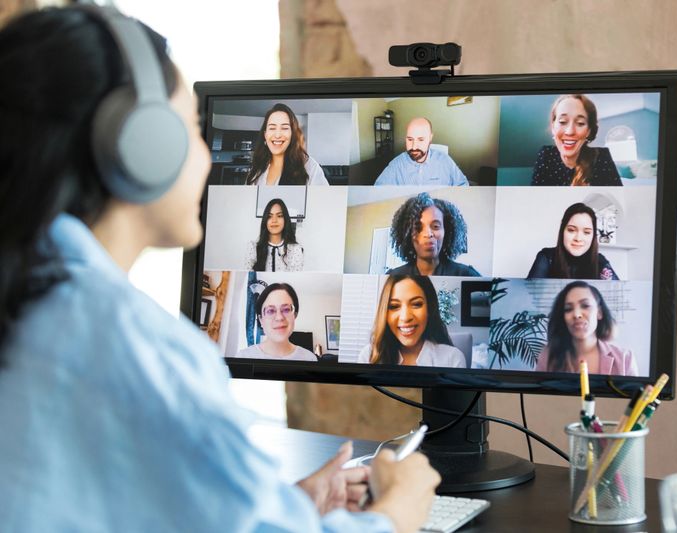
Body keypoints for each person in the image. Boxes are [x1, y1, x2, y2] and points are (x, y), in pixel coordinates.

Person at [0, 7, 439, 533]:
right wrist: (397, 512)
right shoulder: (140, 353)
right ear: (140, 148)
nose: (205, 158)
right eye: (191, 127)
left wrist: (288, 508)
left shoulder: (29, 299)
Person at [357, 275, 466, 367]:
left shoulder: (452, 358)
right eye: (394, 306)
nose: (405, 317)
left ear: (429, 309)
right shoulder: (369, 356)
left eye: (416, 304)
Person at [536, 281, 638, 376]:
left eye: (585, 306)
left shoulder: (625, 358)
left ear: (599, 312)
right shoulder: (547, 356)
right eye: (568, 309)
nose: (577, 314)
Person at [530, 94, 622, 187]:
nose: (570, 131)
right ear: (553, 127)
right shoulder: (546, 154)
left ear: (588, 131)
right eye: (562, 122)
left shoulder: (602, 157)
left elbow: (616, 195)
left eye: (580, 123)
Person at [387, 192, 481, 276]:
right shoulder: (393, 277)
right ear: (407, 235)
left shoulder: (467, 275)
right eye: (418, 228)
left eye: (435, 226)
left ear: (446, 231)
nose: (428, 234)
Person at [526, 202, 619, 280]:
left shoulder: (600, 261)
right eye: (571, 230)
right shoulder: (547, 257)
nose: (578, 238)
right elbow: (529, 293)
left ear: (593, 235)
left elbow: (619, 293)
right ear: (562, 231)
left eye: (586, 232)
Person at [245, 103, 329, 186]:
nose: (277, 135)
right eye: (272, 128)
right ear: (265, 135)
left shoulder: (310, 167)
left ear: (292, 134)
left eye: (284, 128)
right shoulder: (257, 168)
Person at [375, 117, 468, 186]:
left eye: (421, 140)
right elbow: (378, 191)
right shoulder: (396, 165)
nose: (414, 146)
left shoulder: (445, 161)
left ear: (430, 138)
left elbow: (463, 185)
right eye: (410, 139)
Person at [236, 283, 316, 361]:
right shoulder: (243, 357)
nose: (279, 317)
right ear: (261, 320)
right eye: (270, 311)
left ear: (295, 315)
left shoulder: (309, 358)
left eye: (286, 309)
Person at [249, 198, 304, 272]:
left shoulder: (295, 249)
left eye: (279, 216)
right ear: (265, 220)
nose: (274, 220)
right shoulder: (253, 248)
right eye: (269, 216)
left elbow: (295, 276)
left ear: (285, 219)